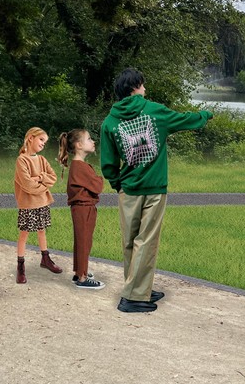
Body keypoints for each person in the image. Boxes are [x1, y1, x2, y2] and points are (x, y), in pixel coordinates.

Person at [100, 68, 212, 313]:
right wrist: (205, 114)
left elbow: (108, 162)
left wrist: (116, 183)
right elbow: (184, 119)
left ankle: (141, 288)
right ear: (136, 87)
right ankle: (133, 297)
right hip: (153, 188)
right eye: (143, 85)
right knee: (146, 241)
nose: (145, 89)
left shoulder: (109, 122)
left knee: (131, 241)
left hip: (127, 189)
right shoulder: (154, 111)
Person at [57, 129, 106, 290]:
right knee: (84, 241)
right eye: (89, 139)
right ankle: (83, 278)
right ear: (79, 145)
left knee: (82, 240)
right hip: (84, 208)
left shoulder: (78, 165)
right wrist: (100, 178)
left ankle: (79, 271)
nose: (93, 142)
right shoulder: (80, 167)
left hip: (82, 208)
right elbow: (98, 186)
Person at [14, 127, 63, 284]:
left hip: (42, 202)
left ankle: (45, 259)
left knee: (42, 231)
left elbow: (53, 177)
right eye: (41, 140)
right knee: (24, 234)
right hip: (28, 204)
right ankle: (20, 267)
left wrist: (40, 177)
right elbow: (27, 185)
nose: (43, 144)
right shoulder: (22, 160)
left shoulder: (42, 160)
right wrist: (44, 185)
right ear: (30, 138)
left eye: (45, 142)